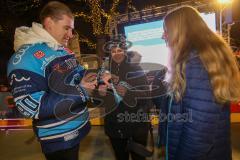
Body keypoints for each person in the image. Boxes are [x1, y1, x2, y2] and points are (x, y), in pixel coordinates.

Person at [7, 1, 97, 160]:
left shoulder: (61, 49)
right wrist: (81, 91)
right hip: (58, 138)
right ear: (49, 23)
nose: (70, 34)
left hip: (77, 128)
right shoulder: (24, 57)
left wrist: (98, 78)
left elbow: (78, 73)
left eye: (72, 29)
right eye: (66, 28)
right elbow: (31, 106)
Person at [160, 6, 240, 160]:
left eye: (166, 30)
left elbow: (197, 137)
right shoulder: (195, 61)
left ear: (180, 31)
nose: (163, 36)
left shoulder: (197, 65)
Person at [100, 38, 153, 160]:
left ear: (125, 51)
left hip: (136, 126)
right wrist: (100, 94)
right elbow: (98, 99)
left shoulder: (136, 69)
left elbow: (147, 95)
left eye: (120, 50)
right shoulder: (104, 72)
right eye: (113, 51)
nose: (117, 54)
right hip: (115, 127)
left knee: (139, 158)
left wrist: (128, 93)